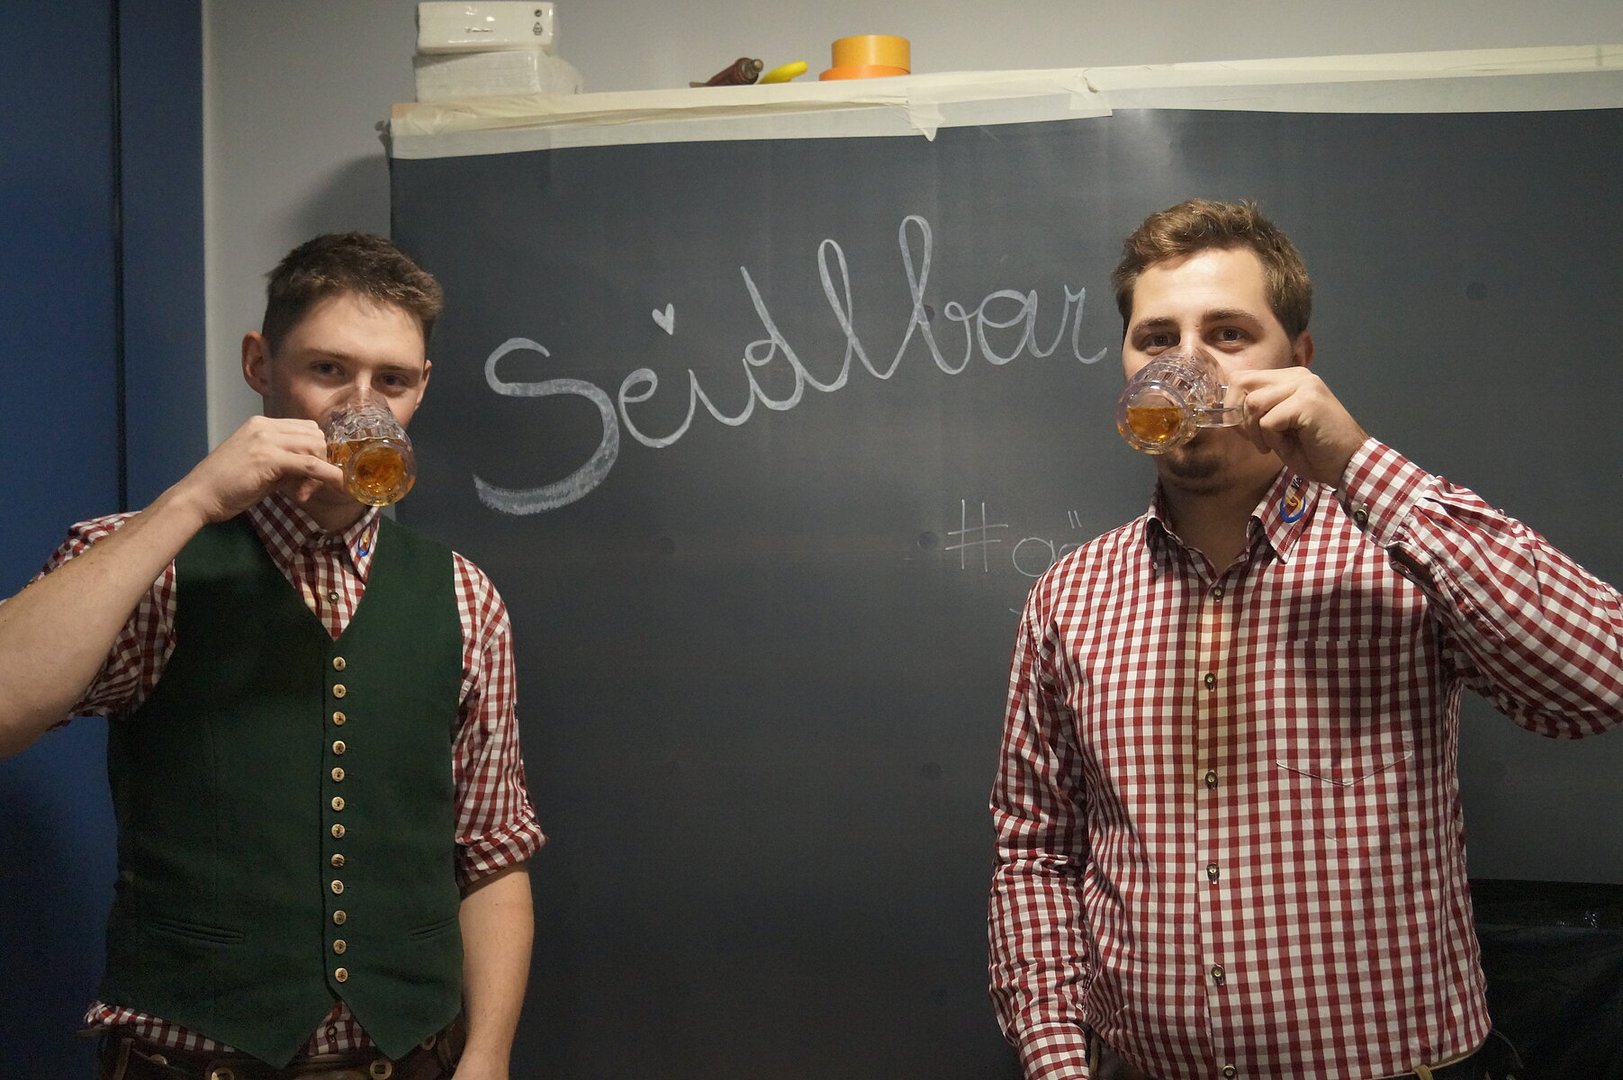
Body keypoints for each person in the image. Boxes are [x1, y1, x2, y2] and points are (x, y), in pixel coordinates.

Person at [986, 199, 1622, 1080]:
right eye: (1156, 337)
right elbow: (1036, 851)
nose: (1184, 363)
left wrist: (1356, 460)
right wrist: (1057, 1062)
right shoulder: (1071, 595)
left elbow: (1595, 684)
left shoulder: (1397, 551)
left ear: (1298, 356)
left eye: (1229, 333)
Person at [0, 233, 544, 1080]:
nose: (360, 406)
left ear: (420, 389)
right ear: (260, 364)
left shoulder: (464, 595)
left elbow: (490, 851)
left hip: (408, 1061)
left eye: (391, 381)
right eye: (328, 369)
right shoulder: (149, 559)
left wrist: (488, 1056)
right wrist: (190, 500)